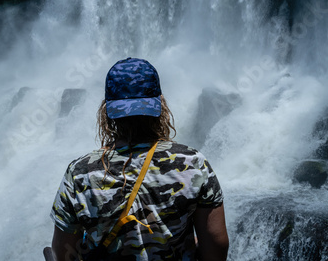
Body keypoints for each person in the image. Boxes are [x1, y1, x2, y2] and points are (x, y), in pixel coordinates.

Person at [49, 57, 229, 261]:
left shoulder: (80, 173)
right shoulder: (194, 163)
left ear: (106, 112)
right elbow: (216, 244)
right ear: (160, 106)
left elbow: (62, 254)